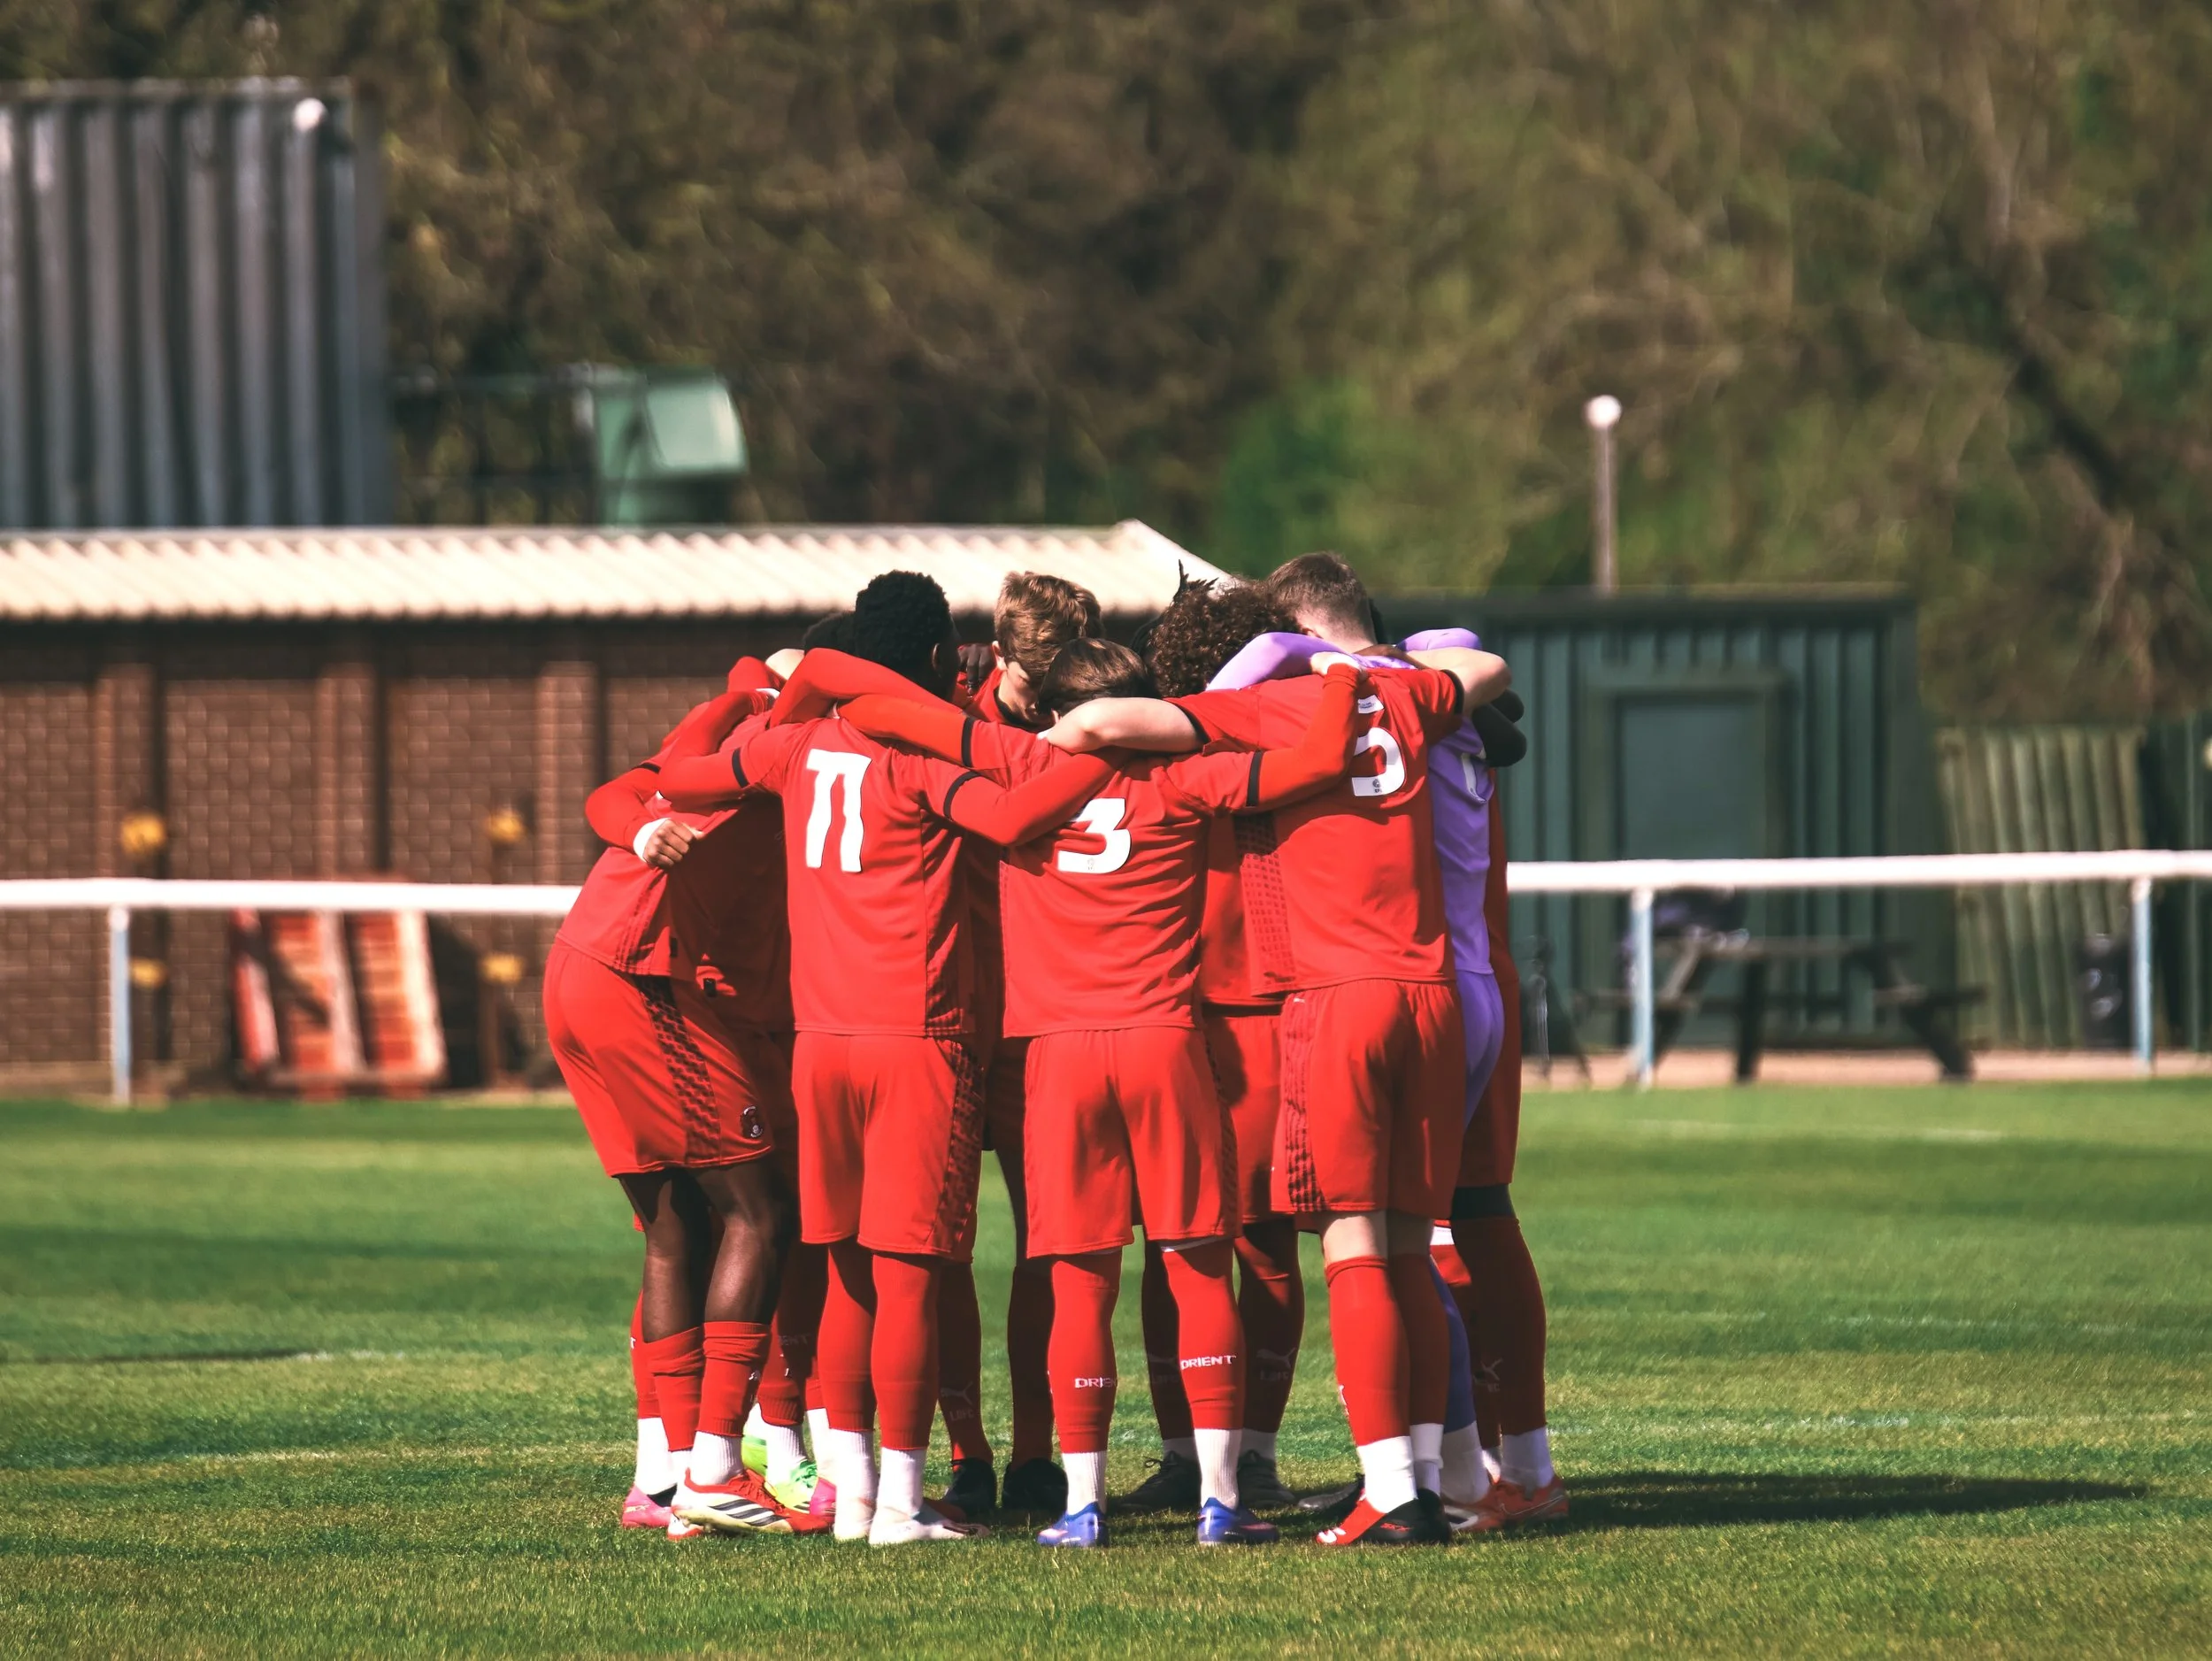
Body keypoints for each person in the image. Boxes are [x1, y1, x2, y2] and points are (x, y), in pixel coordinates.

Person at [819, 639, 1368, 1546]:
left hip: (1057, 1058)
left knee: (1079, 1280)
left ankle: (1081, 1504)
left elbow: (878, 706)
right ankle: (1220, 1501)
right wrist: (1344, 665)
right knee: (1197, 1263)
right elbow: (1317, 758)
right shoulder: (1189, 778)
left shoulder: (1020, 760)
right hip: (1162, 1044)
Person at [651, 573, 1112, 1548]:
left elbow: (683, 773)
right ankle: (903, 1504)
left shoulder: (790, 748)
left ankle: (854, 1495)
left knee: (849, 1272)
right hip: (920, 1040)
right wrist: (1109, 748)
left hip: (821, 1046)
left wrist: (744, 708)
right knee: (907, 1276)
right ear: (945, 663)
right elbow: (1020, 816)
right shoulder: (919, 759)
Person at [1046, 580, 1509, 1546]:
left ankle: (1385, 1483)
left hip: (1328, 999)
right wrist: (1361, 665)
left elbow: (1097, 722)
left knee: (1345, 1248)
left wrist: (1018, 751)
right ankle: (1435, 1478)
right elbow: (1482, 662)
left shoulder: (1258, 710)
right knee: (1413, 1248)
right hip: (1430, 989)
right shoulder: (1406, 695)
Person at [546, 662, 823, 1537]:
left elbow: (621, 789)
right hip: (646, 974)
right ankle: (715, 1466)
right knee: (762, 1212)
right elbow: (620, 793)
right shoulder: (781, 749)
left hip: (589, 965)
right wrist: (643, 825)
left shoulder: (721, 737)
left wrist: (738, 696)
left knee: (675, 1225)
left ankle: (664, 1480)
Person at [1114, 581, 1313, 1518]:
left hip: (1173, 1016)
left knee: (1176, 1245)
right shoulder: (1283, 732)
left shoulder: (1151, 739)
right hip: (1268, 1012)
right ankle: (1254, 1454)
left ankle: (1185, 1451)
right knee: (1265, 1244)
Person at [935, 571, 1102, 1519]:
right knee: (944, 1248)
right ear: (996, 656)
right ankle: (967, 1454)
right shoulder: (943, 715)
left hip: (1049, 1026)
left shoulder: (1102, 714)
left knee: (1053, 1244)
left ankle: (1038, 1455)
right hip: (956, 1023)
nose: (1047, 697)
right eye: (1033, 676)